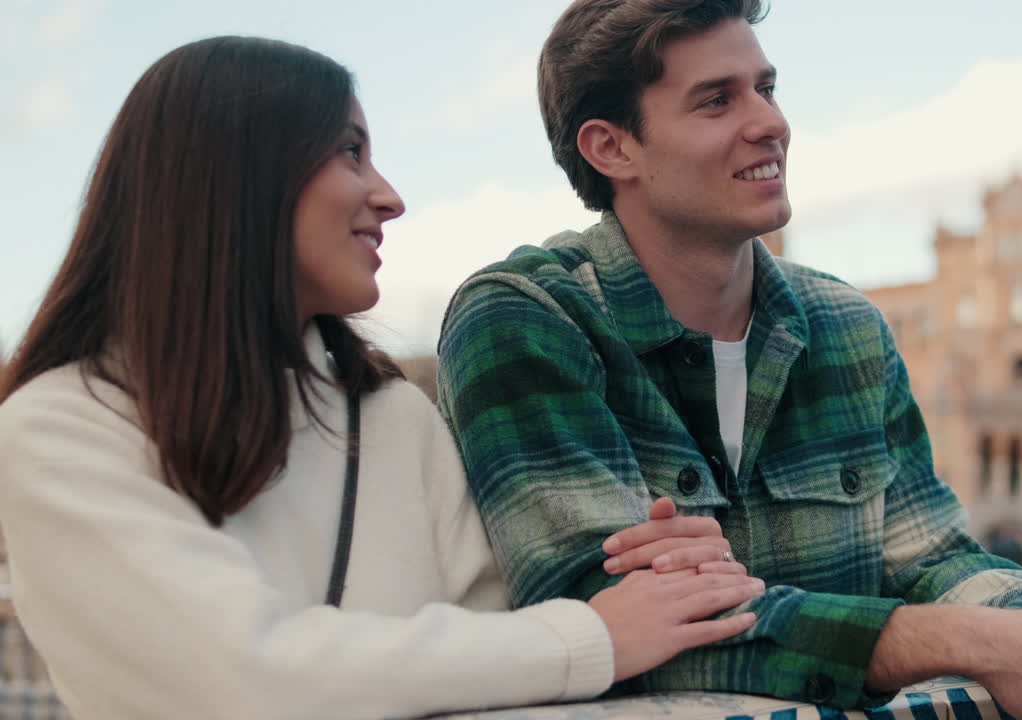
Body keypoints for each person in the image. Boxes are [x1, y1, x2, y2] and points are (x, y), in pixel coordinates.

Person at [436, 2, 1022, 718]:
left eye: (766, 88)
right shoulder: (527, 321)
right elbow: (599, 624)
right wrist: (974, 641)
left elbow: (931, 557)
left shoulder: (847, 326)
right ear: (612, 148)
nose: (771, 123)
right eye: (717, 101)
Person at [0, 36, 765, 720]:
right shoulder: (58, 430)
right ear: (233, 175)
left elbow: (506, 668)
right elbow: (240, 680)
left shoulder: (397, 417)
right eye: (350, 152)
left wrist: (653, 561)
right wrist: (591, 636)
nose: (390, 197)